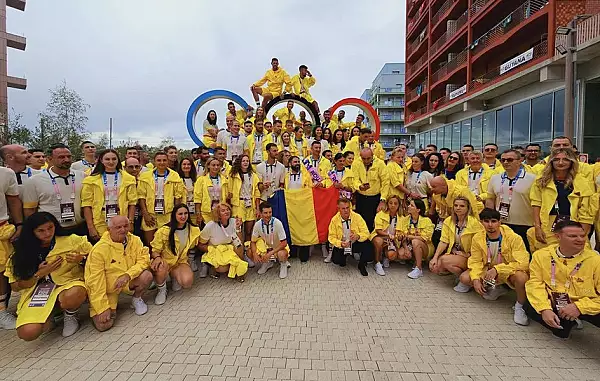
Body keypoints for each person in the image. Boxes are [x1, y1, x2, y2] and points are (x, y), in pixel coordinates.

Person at [7, 212, 91, 339]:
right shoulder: (21, 252)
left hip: (67, 284)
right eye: (41, 231)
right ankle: (53, 314)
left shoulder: (71, 240)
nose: (47, 233)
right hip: (37, 293)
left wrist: (82, 259)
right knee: (27, 333)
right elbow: (15, 286)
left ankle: (70, 315)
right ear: (31, 232)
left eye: (50, 228)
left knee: (75, 294)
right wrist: (38, 275)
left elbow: (97, 260)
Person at [524, 220, 600, 338]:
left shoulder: (595, 259)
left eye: (583, 235)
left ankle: (576, 317)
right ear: (558, 236)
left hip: (585, 303)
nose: (580, 239)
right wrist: (545, 309)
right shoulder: (541, 255)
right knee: (530, 306)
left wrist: (579, 307)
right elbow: (535, 284)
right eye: (573, 236)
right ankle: (569, 321)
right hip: (556, 302)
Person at [458, 208, 530, 325]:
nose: (490, 225)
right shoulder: (477, 238)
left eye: (494, 221)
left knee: (521, 277)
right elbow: (475, 261)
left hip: (507, 271)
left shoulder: (514, 238)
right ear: (481, 222)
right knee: (465, 278)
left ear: (500, 222)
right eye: (486, 221)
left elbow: (523, 263)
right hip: (488, 270)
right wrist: (476, 279)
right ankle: (496, 288)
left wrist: (498, 269)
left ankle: (520, 306)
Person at [85, 216, 153, 331]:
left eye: (125, 226)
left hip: (127, 281)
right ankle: (106, 306)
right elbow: (95, 283)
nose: (123, 230)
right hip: (108, 289)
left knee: (147, 275)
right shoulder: (99, 250)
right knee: (104, 325)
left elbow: (144, 260)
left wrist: (128, 275)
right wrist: (102, 308)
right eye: (118, 227)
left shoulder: (135, 240)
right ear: (109, 229)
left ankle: (137, 299)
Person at [527, 148, 597, 252]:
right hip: (548, 226)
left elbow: (586, 212)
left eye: (565, 159)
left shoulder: (582, 182)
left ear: (571, 161)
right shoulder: (541, 181)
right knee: (546, 257)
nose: (560, 162)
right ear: (551, 162)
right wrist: (537, 227)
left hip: (574, 225)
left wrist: (582, 233)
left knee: (576, 257)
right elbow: (536, 204)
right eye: (556, 159)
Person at [23, 144, 87, 235]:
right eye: (61, 157)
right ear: (49, 159)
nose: (67, 160)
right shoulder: (34, 181)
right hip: (51, 231)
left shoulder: (82, 176)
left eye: (69, 156)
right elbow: (30, 210)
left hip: (80, 227)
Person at [81, 149, 138, 243]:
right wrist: (90, 226)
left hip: (121, 218)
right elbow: (86, 204)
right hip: (100, 219)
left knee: (120, 246)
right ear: (101, 160)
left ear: (118, 160)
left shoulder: (129, 179)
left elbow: (132, 202)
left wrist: (130, 222)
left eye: (114, 159)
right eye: (107, 159)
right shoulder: (90, 180)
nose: (111, 162)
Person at [486, 149, 536, 253]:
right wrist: (490, 218)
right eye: (503, 160)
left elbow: (537, 203)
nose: (505, 162)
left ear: (519, 161)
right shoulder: (495, 178)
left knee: (524, 255)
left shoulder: (532, 179)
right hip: (502, 224)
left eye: (509, 160)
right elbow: (490, 198)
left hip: (525, 224)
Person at [429, 196, 482, 292]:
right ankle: (461, 278)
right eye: (456, 205)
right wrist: (435, 257)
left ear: (467, 208)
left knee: (444, 260)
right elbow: (443, 241)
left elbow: (480, 245)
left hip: (471, 257)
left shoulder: (475, 223)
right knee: (436, 266)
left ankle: (466, 279)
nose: (458, 208)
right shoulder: (448, 221)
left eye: (462, 206)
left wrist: (467, 254)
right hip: (456, 254)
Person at [150, 204, 198, 305]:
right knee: (161, 267)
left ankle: (174, 277)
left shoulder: (192, 229)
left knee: (187, 282)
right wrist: (157, 258)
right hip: (165, 261)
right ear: (174, 215)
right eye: (180, 214)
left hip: (180, 262)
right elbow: (155, 250)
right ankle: (161, 290)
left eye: (185, 213)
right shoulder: (164, 230)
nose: (183, 216)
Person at [137, 152, 184, 246]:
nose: (161, 162)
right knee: (150, 243)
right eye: (159, 160)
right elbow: (141, 196)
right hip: (150, 215)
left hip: (168, 215)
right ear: (154, 162)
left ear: (168, 161)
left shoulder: (174, 176)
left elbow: (178, 197)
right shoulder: (145, 176)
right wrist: (145, 214)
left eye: (164, 160)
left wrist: (174, 215)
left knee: (165, 243)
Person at [198, 203, 248, 281]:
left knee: (239, 246)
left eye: (228, 210)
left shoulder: (234, 221)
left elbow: (240, 242)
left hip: (229, 248)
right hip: (216, 250)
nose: (226, 212)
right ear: (218, 214)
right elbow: (200, 245)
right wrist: (212, 250)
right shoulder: (210, 226)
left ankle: (238, 271)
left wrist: (238, 228)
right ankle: (211, 266)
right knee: (222, 269)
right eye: (223, 210)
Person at [0, 166, 23, 329]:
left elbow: (13, 200)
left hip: (1, 227)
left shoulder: (6, 173)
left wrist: (20, 224)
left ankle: (2, 310)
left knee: (2, 272)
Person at [328, 198, 373, 276]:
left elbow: (366, 232)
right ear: (338, 209)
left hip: (355, 242)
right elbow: (331, 237)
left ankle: (361, 265)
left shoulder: (357, 217)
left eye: (347, 208)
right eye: (343, 208)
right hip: (343, 244)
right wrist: (340, 243)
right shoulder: (334, 220)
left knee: (368, 246)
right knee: (337, 261)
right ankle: (346, 256)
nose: (346, 210)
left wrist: (358, 236)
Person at [250, 202, 291, 278]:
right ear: (261, 213)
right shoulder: (257, 224)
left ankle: (283, 264)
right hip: (266, 248)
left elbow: (284, 243)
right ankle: (267, 263)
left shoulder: (277, 223)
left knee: (281, 254)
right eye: (265, 213)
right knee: (250, 251)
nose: (268, 215)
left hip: (278, 248)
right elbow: (253, 242)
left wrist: (270, 253)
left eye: (270, 212)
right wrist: (254, 253)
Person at [352, 148, 389, 232]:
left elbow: (385, 182)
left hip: (375, 198)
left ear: (372, 156)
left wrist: (383, 200)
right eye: (363, 159)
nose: (366, 161)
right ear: (360, 156)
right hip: (360, 197)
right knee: (360, 223)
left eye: (368, 158)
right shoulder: (356, 163)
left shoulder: (380, 163)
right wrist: (359, 186)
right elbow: (354, 179)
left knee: (374, 222)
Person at [397, 198, 435, 279]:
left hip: (426, 247)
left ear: (418, 210)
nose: (408, 206)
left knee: (415, 241)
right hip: (410, 245)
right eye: (409, 204)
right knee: (401, 254)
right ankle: (415, 260)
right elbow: (403, 236)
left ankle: (419, 268)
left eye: (412, 205)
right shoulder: (405, 219)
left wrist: (410, 236)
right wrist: (406, 248)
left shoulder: (427, 220)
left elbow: (426, 238)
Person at [227, 155, 261, 247]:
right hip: (239, 204)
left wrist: (258, 208)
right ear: (239, 163)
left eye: (247, 161)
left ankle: (247, 249)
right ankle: (238, 249)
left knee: (249, 230)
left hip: (250, 203)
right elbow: (229, 191)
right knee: (238, 229)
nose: (245, 162)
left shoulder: (253, 175)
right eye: (243, 161)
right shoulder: (233, 175)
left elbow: (257, 192)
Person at [370, 196, 403, 276]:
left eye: (395, 203)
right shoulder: (381, 214)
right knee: (379, 241)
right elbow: (378, 230)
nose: (393, 205)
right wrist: (388, 235)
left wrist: (400, 236)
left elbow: (402, 231)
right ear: (387, 204)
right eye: (390, 203)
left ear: (399, 205)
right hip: (379, 236)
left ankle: (385, 256)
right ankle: (377, 263)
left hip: (392, 239)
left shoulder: (401, 217)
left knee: (392, 255)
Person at [193, 157, 228, 226]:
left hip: (220, 212)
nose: (216, 167)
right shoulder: (201, 179)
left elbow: (226, 196)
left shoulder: (224, 179)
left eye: (218, 165)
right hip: (206, 213)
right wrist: (198, 213)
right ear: (208, 166)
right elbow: (197, 198)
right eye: (213, 165)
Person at [123, 157, 144, 237]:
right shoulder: (120, 182)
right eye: (131, 167)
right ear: (125, 168)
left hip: (142, 218)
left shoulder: (144, 181)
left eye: (137, 167)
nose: (134, 169)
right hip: (126, 218)